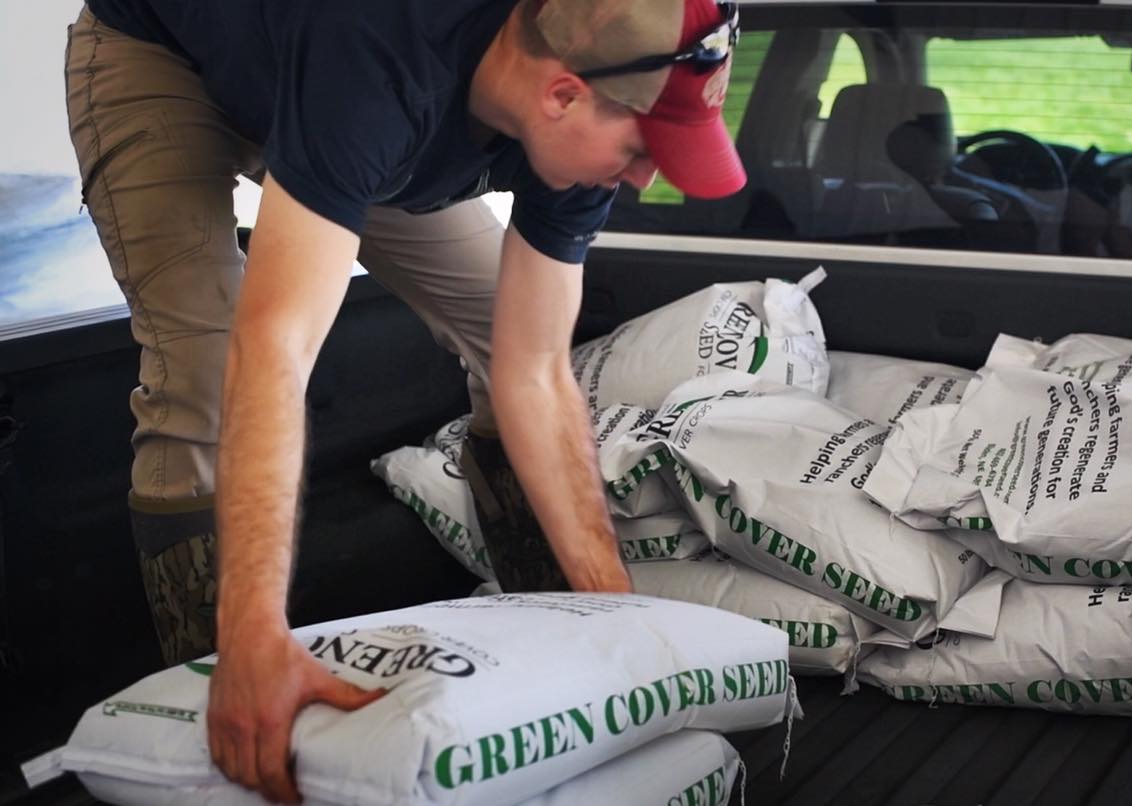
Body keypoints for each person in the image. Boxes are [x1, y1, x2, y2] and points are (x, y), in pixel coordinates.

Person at [62, 0, 745, 799]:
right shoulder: (383, 58)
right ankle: (226, 714)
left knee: (499, 330)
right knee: (208, 370)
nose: (644, 176)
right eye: (640, 146)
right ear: (560, 95)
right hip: (162, 54)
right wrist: (253, 640)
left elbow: (533, 370)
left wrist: (619, 624)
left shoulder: (580, 85)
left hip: (349, 98)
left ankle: (562, 651)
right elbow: (276, 350)